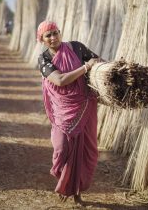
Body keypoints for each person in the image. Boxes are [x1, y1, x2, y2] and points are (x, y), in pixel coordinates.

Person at [37, 21, 100, 204]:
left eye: (55, 33)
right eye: (47, 35)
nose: (53, 37)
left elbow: (97, 62)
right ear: (42, 39)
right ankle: (65, 181)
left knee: (83, 150)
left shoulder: (76, 47)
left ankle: (76, 191)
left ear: (60, 32)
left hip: (84, 105)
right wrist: (85, 68)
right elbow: (60, 80)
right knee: (62, 148)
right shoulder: (44, 59)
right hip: (61, 109)